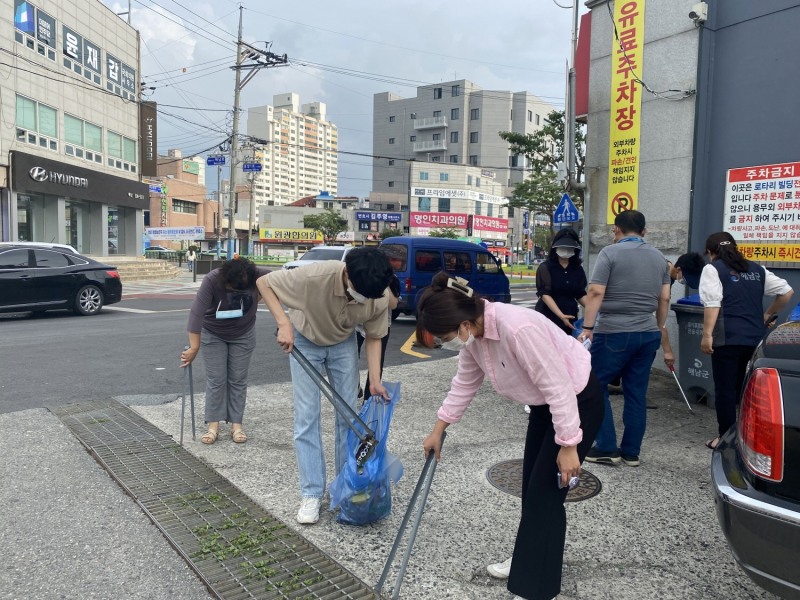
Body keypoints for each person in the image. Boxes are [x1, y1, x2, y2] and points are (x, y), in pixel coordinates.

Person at [419, 272, 604, 600]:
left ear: (463, 324)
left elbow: (558, 385)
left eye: (444, 336)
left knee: (546, 496)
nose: (444, 343)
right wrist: (438, 429)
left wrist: (569, 444)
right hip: (545, 407)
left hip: (576, 401)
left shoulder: (517, 328)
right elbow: (464, 384)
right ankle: (527, 560)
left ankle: (536, 588)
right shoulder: (475, 337)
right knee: (531, 491)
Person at [256, 247, 395, 525]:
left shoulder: (378, 294)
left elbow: (374, 336)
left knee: (349, 418)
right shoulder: (314, 276)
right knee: (307, 416)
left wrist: (375, 380)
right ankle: (311, 493)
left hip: (342, 342)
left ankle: (346, 487)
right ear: (346, 274)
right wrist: (283, 323)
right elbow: (264, 283)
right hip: (305, 339)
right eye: (359, 293)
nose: (364, 300)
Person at [579, 210, 672, 467]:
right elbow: (664, 298)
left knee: (594, 385)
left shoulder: (610, 253)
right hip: (648, 333)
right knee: (636, 393)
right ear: (644, 232)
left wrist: (587, 327)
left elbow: (596, 291)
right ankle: (631, 452)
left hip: (614, 332)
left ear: (616, 231)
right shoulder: (660, 259)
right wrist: (659, 326)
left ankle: (607, 446)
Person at [699, 232, 793, 449]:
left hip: (727, 338)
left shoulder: (712, 269)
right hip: (754, 339)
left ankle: (726, 439)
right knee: (747, 389)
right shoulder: (757, 269)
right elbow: (787, 292)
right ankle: (747, 436)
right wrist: (767, 315)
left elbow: (712, 304)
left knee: (725, 390)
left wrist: (706, 335)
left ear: (711, 252)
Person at [180, 257, 270, 445]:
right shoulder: (212, 279)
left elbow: (280, 281)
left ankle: (237, 425)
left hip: (243, 333)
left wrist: (257, 297)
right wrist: (194, 347)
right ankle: (213, 426)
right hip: (213, 333)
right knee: (216, 379)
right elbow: (196, 314)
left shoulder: (258, 274)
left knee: (238, 379)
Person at [534, 228, 587, 334]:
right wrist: (560, 315)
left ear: (575, 249)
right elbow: (545, 294)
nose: (566, 250)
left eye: (569, 247)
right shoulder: (545, 267)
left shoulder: (577, 269)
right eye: (563, 247)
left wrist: (594, 309)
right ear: (555, 247)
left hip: (570, 317)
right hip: (548, 317)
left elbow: (580, 294)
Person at [356, 273, 401, 399]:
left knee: (377, 361)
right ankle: (355, 387)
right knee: (351, 357)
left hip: (381, 323)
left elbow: (393, 304)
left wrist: (385, 283)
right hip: (357, 322)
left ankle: (369, 398)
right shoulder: (359, 276)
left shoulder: (392, 279)